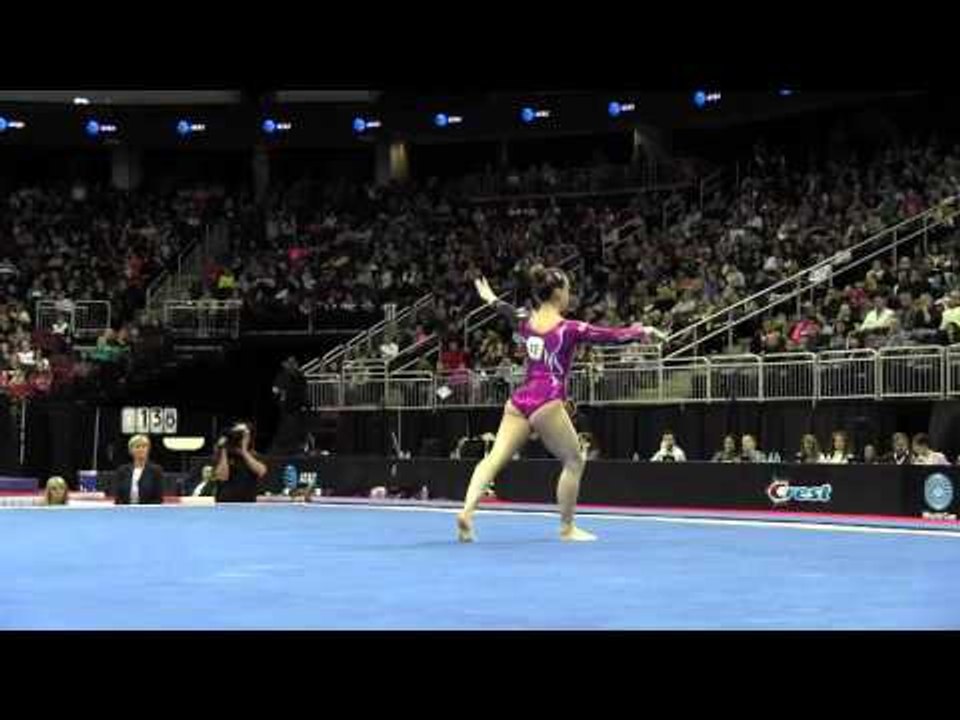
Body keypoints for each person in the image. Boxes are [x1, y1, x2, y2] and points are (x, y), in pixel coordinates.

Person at [456, 266, 665, 542]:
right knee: (574, 460)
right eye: (567, 289)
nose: (569, 294)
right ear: (557, 293)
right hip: (548, 397)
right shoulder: (570, 328)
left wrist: (490, 298)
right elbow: (611, 336)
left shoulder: (526, 319)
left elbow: (505, 310)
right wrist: (644, 330)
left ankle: (467, 512)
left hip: (521, 397)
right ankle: (567, 528)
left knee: (494, 458)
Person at [213, 421, 268, 502]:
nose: (239, 437)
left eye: (242, 434)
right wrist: (223, 449)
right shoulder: (223, 454)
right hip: (225, 504)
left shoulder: (253, 455)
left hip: (248, 504)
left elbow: (261, 471)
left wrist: (244, 451)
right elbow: (222, 477)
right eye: (237, 433)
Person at [113, 435, 165, 505]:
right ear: (131, 450)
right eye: (137, 447)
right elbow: (118, 498)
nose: (141, 449)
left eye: (144, 447)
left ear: (148, 449)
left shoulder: (156, 471)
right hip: (125, 512)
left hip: (148, 513)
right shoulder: (122, 471)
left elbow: (158, 499)